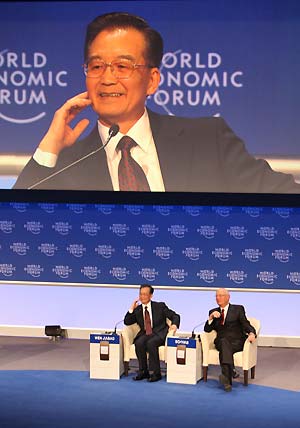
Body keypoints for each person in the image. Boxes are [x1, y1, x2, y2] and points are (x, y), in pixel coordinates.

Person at [14, 12, 300, 193]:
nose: (107, 78)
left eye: (122, 67)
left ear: (152, 80)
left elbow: (283, 197)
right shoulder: (66, 167)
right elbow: (15, 231)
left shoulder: (207, 140)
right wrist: (48, 147)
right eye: (96, 66)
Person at [124, 284, 180, 382]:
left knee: (151, 343)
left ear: (151, 296)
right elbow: (127, 321)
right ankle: (143, 371)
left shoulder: (160, 306)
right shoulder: (138, 309)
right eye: (141, 294)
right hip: (146, 334)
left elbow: (175, 316)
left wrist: (174, 325)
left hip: (159, 333)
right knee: (139, 343)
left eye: (145, 294)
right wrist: (131, 309)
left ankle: (156, 373)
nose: (142, 297)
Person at [204, 288, 256, 392]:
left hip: (236, 341)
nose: (218, 298)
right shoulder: (213, 312)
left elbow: (245, 323)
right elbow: (207, 329)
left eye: (221, 295)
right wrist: (210, 319)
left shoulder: (238, 309)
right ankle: (231, 370)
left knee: (224, 348)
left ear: (228, 297)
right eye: (216, 296)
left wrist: (252, 333)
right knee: (223, 342)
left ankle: (227, 380)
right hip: (221, 341)